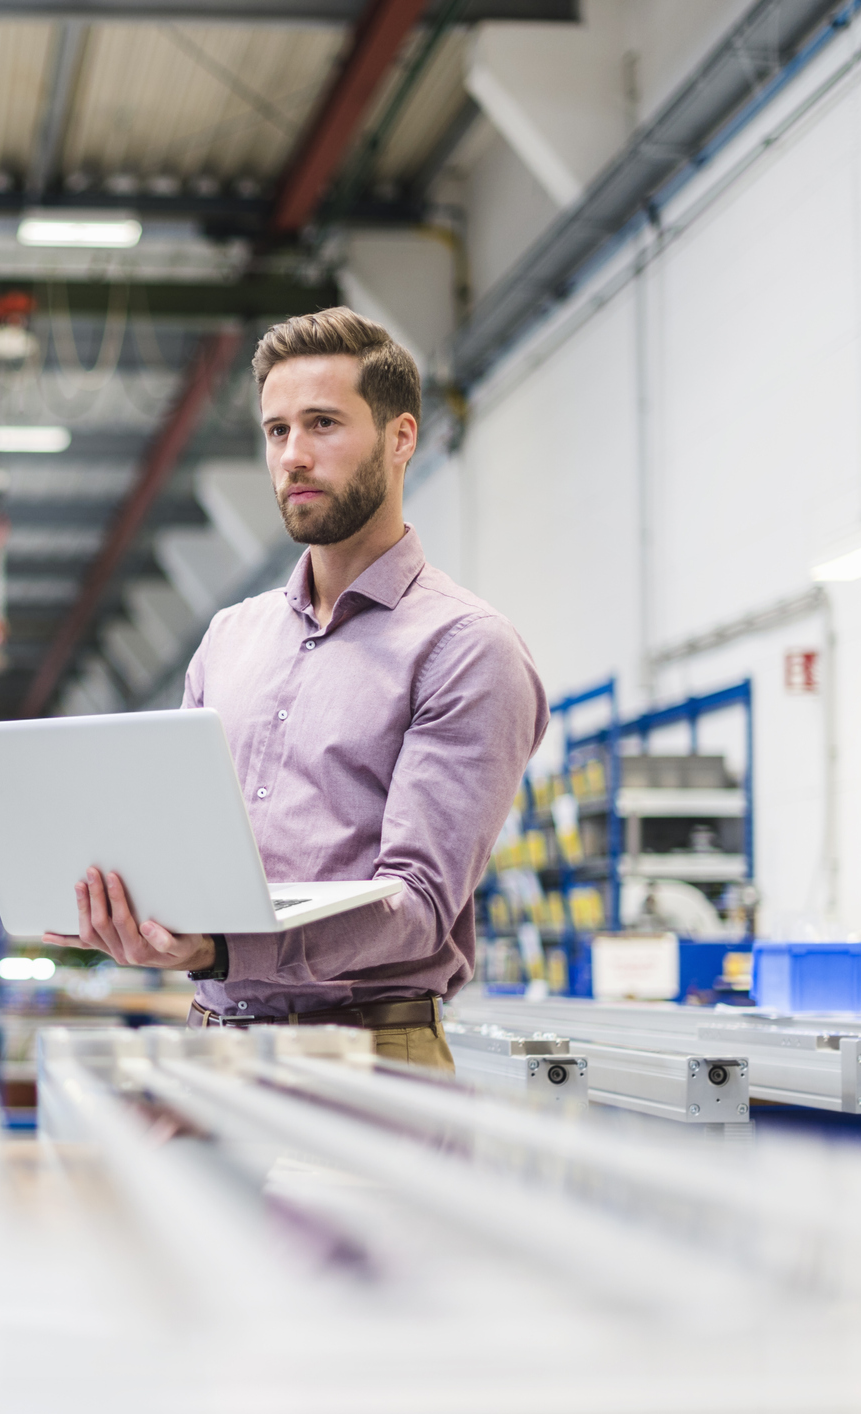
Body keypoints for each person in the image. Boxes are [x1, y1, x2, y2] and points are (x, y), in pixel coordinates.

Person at [43, 308, 548, 1070]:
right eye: (276, 431)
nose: (293, 457)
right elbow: (182, 845)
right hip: (212, 1042)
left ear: (400, 437)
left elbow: (414, 907)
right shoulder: (229, 639)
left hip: (367, 1053)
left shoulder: (464, 648)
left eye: (322, 424)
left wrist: (221, 949)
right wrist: (131, 906)